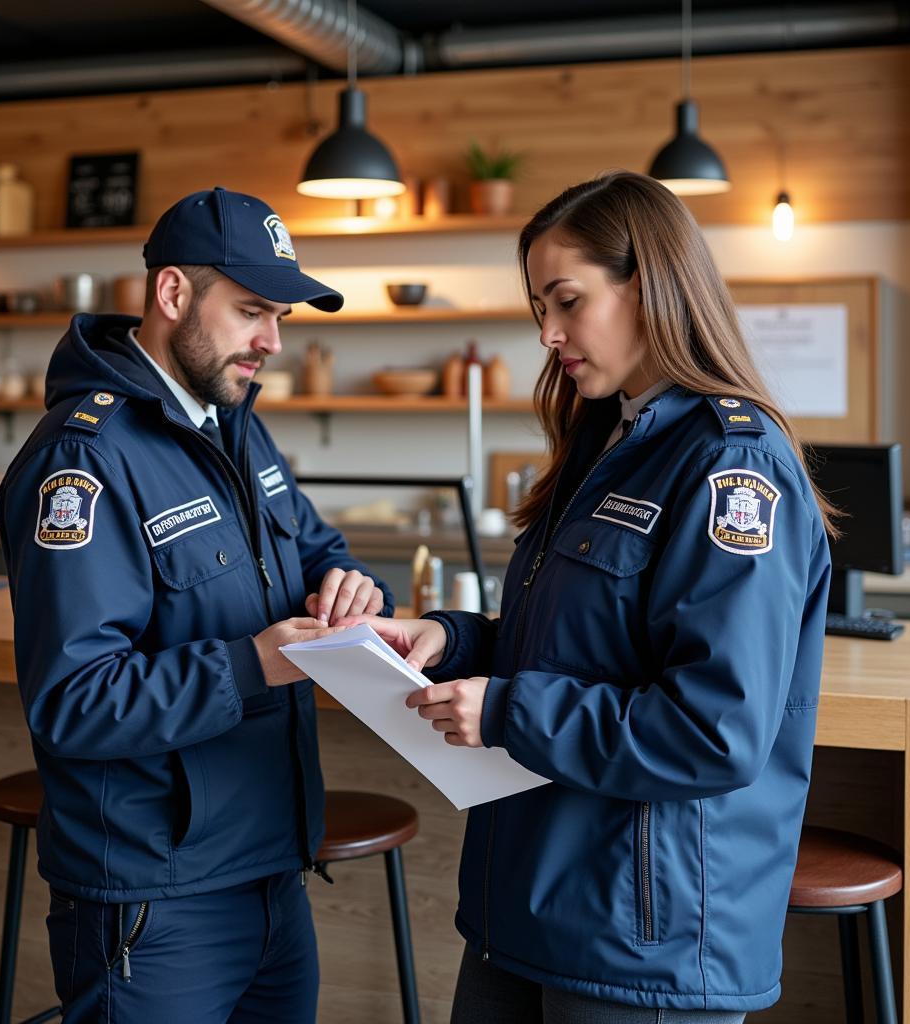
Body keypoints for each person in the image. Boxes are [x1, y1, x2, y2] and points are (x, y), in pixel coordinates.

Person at [351, 171, 833, 1023]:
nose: (548, 332)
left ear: (650, 285)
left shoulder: (731, 467)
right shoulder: (603, 440)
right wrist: (450, 640)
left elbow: (713, 732)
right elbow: (583, 647)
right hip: (534, 906)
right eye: (541, 305)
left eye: (567, 301)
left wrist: (506, 712)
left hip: (643, 936)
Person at [0, 186, 393, 1023]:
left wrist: (355, 585)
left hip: (272, 871)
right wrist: (254, 664)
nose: (273, 341)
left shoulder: (237, 424)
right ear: (173, 294)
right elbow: (73, 701)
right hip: (155, 897)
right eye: (252, 311)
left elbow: (315, 550)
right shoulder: (84, 459)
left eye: (279, 316)